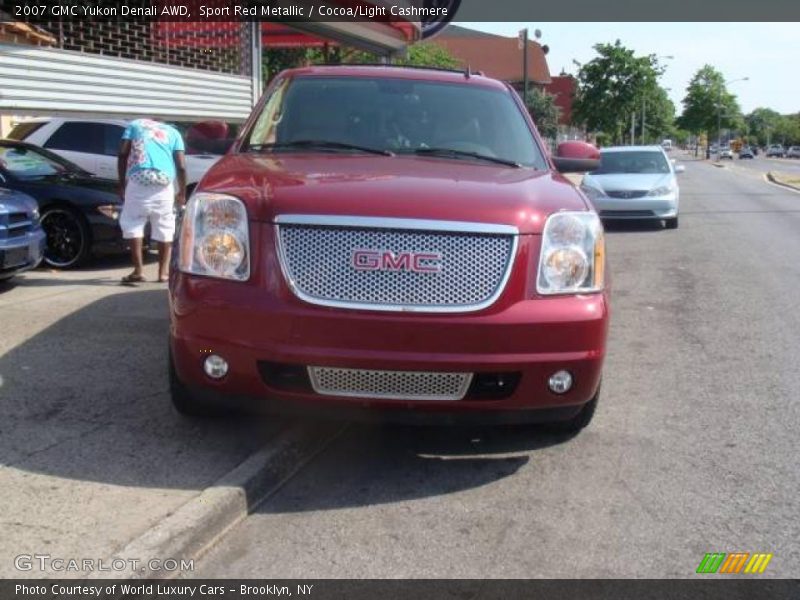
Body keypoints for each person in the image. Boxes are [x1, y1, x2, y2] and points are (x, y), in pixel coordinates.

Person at [117, 118, 186, 284]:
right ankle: (163, 273)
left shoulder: (135, 125)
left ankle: (138, 270)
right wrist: (182, 191)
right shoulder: (174, 132)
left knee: (134, 222)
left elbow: (122, 154)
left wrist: (121, 183)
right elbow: (181, 166)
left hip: (138, 180)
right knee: (165, 225)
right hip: (163, 184)